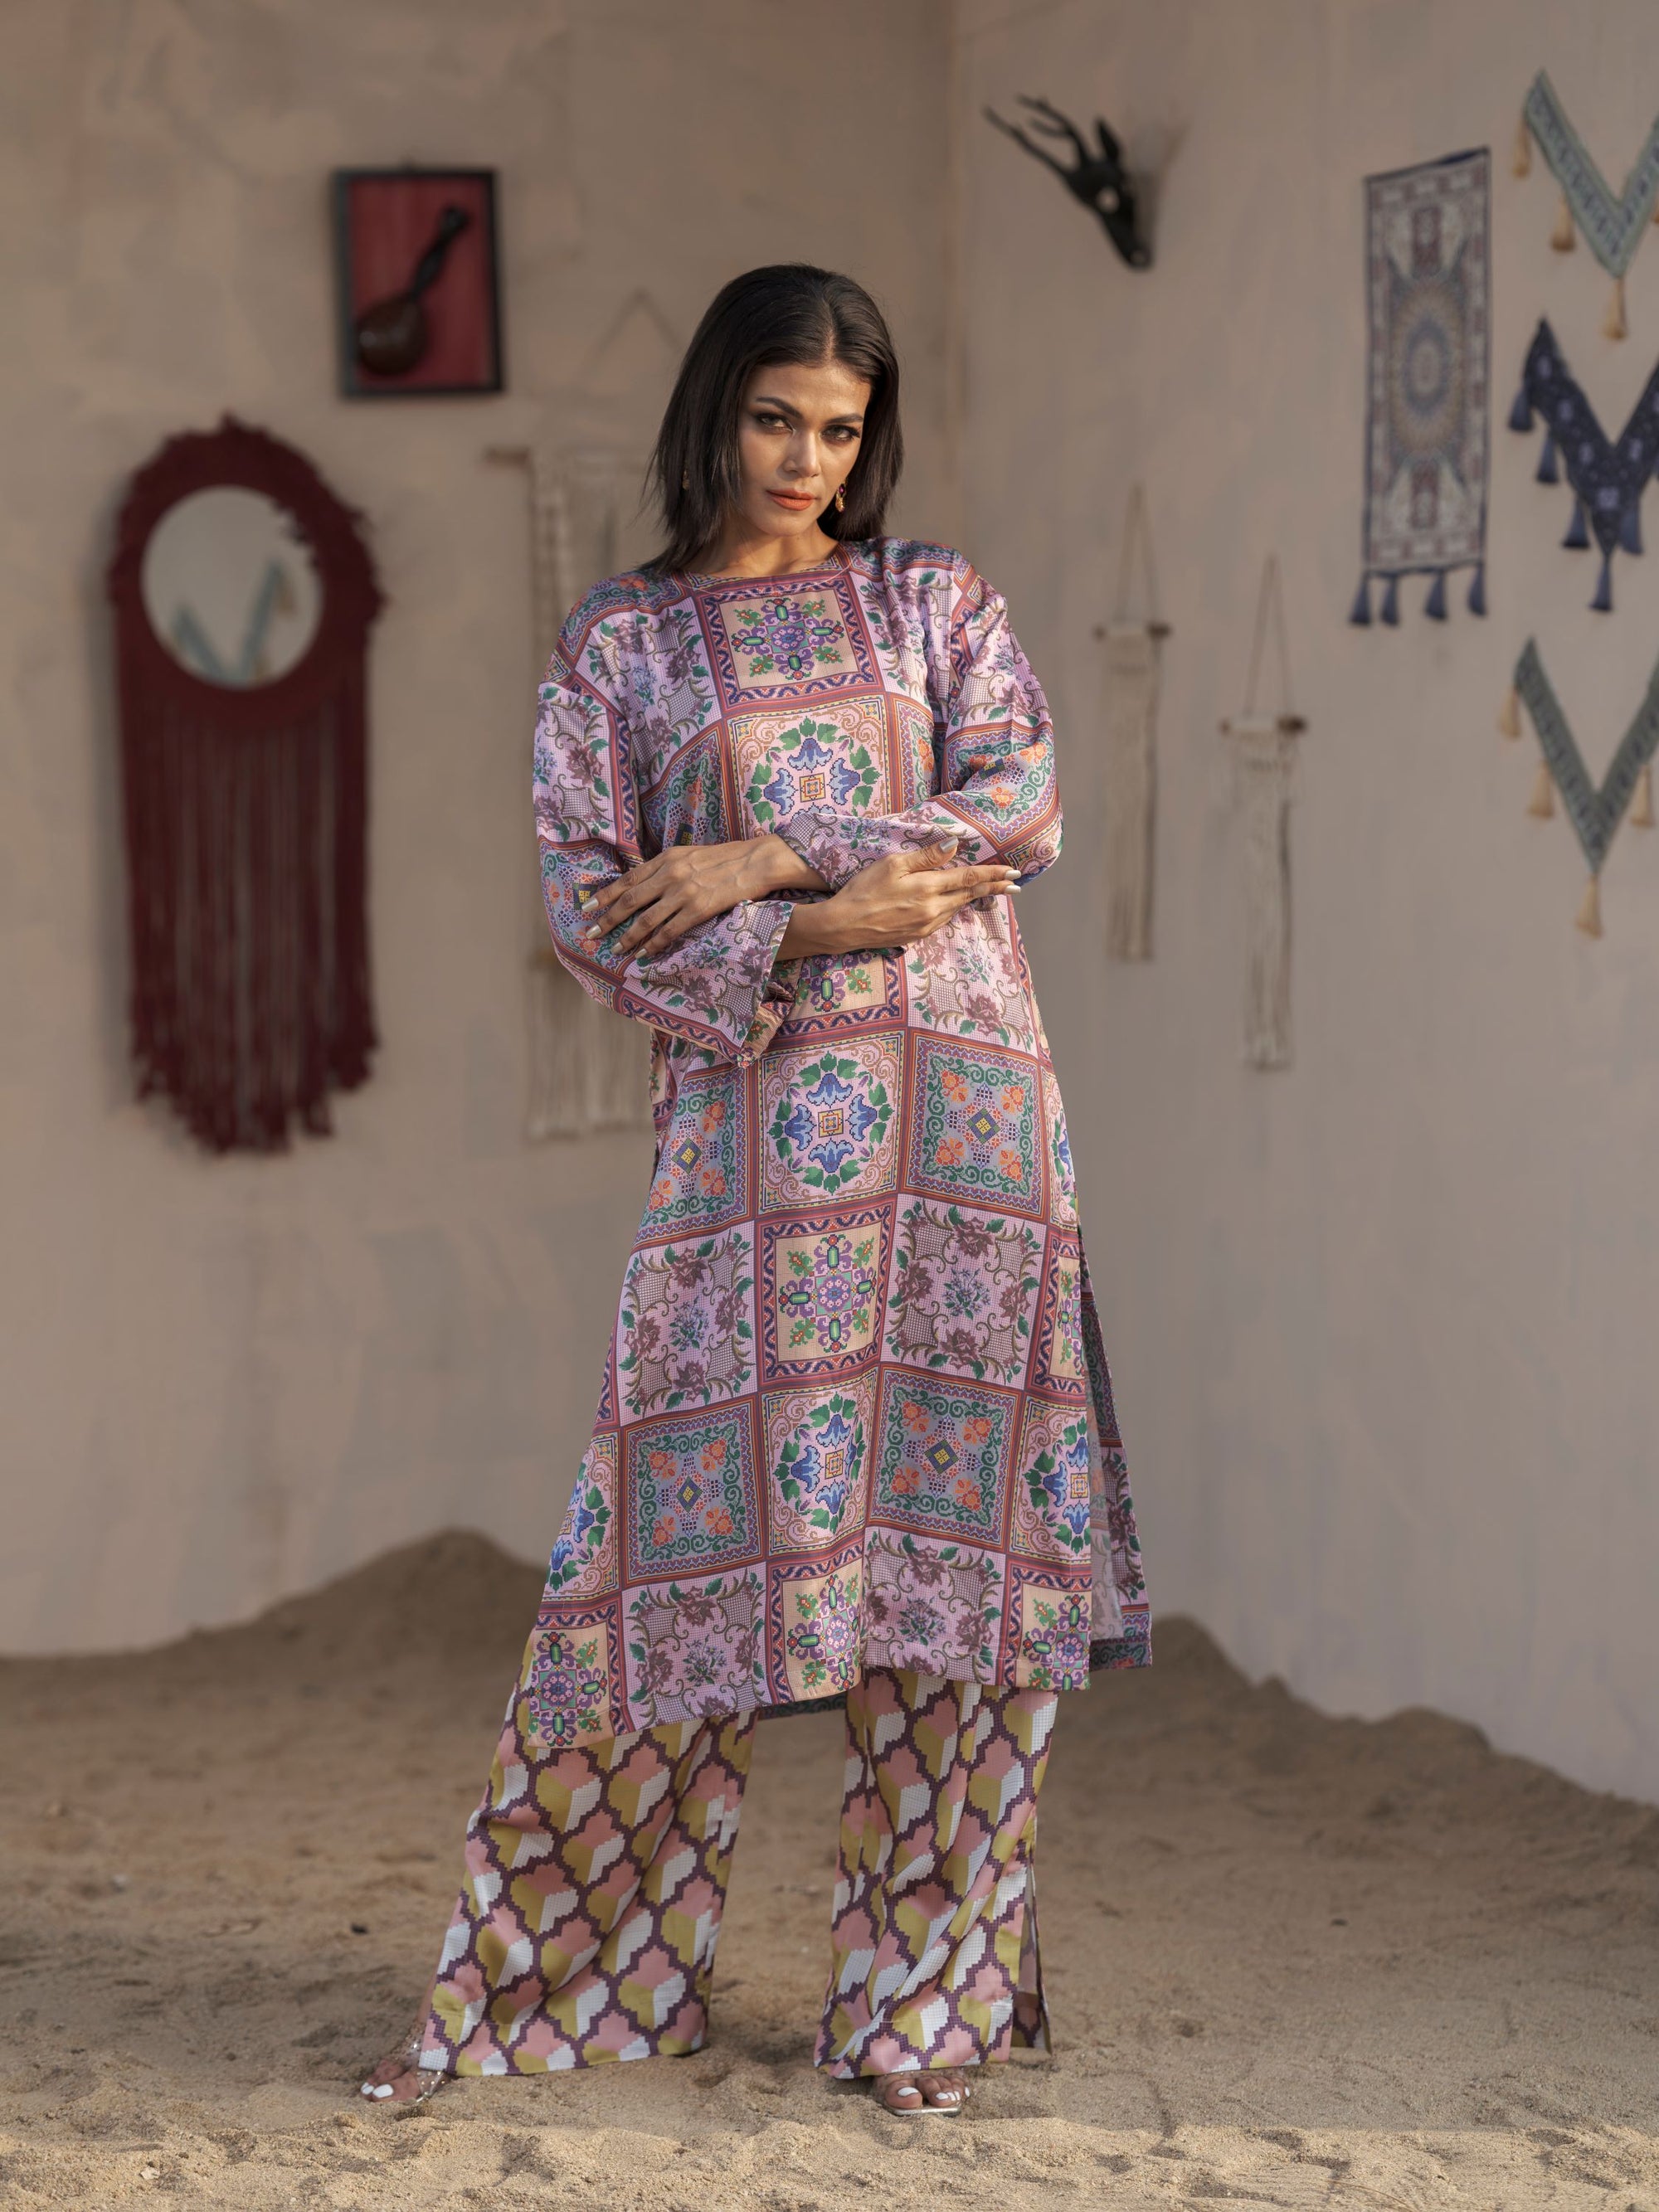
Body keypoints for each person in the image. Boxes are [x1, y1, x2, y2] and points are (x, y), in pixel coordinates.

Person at [361, 263, 1147, 2120]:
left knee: (959, 1560)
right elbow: (585, 906)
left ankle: (925, 2010)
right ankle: (574, 1985)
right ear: (714, 411)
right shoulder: (620, 648)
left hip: (965, 1141)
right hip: (751, 1152)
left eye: (841, 429)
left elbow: (1019, 801)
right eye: (776, 418)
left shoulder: (931, 599)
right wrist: (809, 931)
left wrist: (763, 856)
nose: (806, 459)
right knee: (663, 1564)